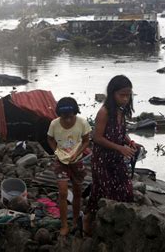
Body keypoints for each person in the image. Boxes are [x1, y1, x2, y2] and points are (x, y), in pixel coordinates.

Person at [83, 75, 138, 235]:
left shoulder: (121, 112)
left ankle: (109, 223)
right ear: (112, 93)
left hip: (116, 160)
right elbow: (97, 137)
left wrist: (129, 142)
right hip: (102, 160)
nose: (126, 98)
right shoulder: (104, 112)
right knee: (105, 192)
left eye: (128, 95)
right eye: (122, 95)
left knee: (126, 190)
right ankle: (89, 220)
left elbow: (120, 132)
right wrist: (120, 148)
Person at [47, 97, 91, 236]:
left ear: (75, 114)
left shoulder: (82, 123)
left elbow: (86, 140)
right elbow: (50, 138)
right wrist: (56, 151)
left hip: (77, 162)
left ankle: (75, 221)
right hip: (61, 163)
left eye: (70, 117)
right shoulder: (54, 124)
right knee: (63, 192)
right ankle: (64, 224)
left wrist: (78, 152)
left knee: (78, 192)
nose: (67, 120)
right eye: (64, 117)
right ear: (59, 115)